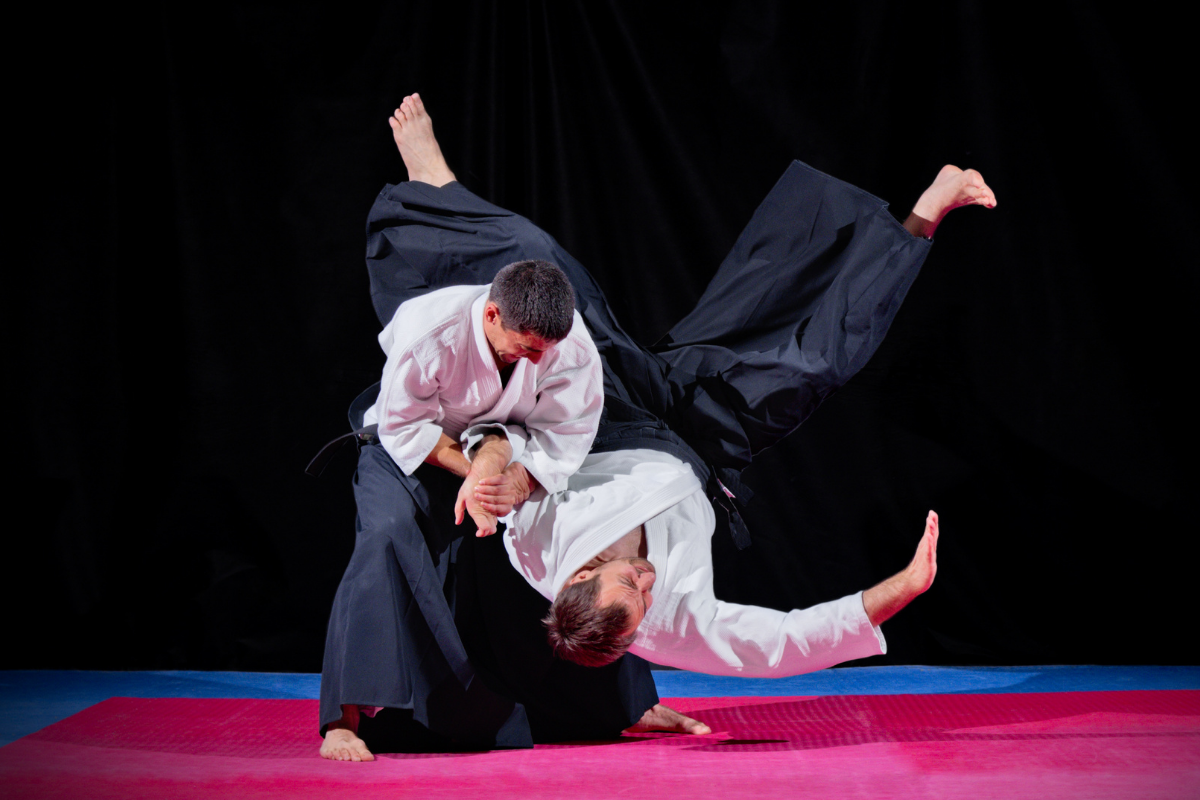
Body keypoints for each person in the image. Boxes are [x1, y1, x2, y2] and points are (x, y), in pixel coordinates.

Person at [319, 94, 702, 762]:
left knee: (572, 536)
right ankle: (345, 719)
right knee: (385, 537)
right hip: (414, 445)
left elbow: (568, 438)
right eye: (526, 349)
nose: (538, 360)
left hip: (507, 443)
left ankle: (624, 702)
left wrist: (515, 479)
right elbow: (408, 431)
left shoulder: (568, 344)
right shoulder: (425, 335)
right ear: (493, 317)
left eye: (545, 352)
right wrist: (477, 475)